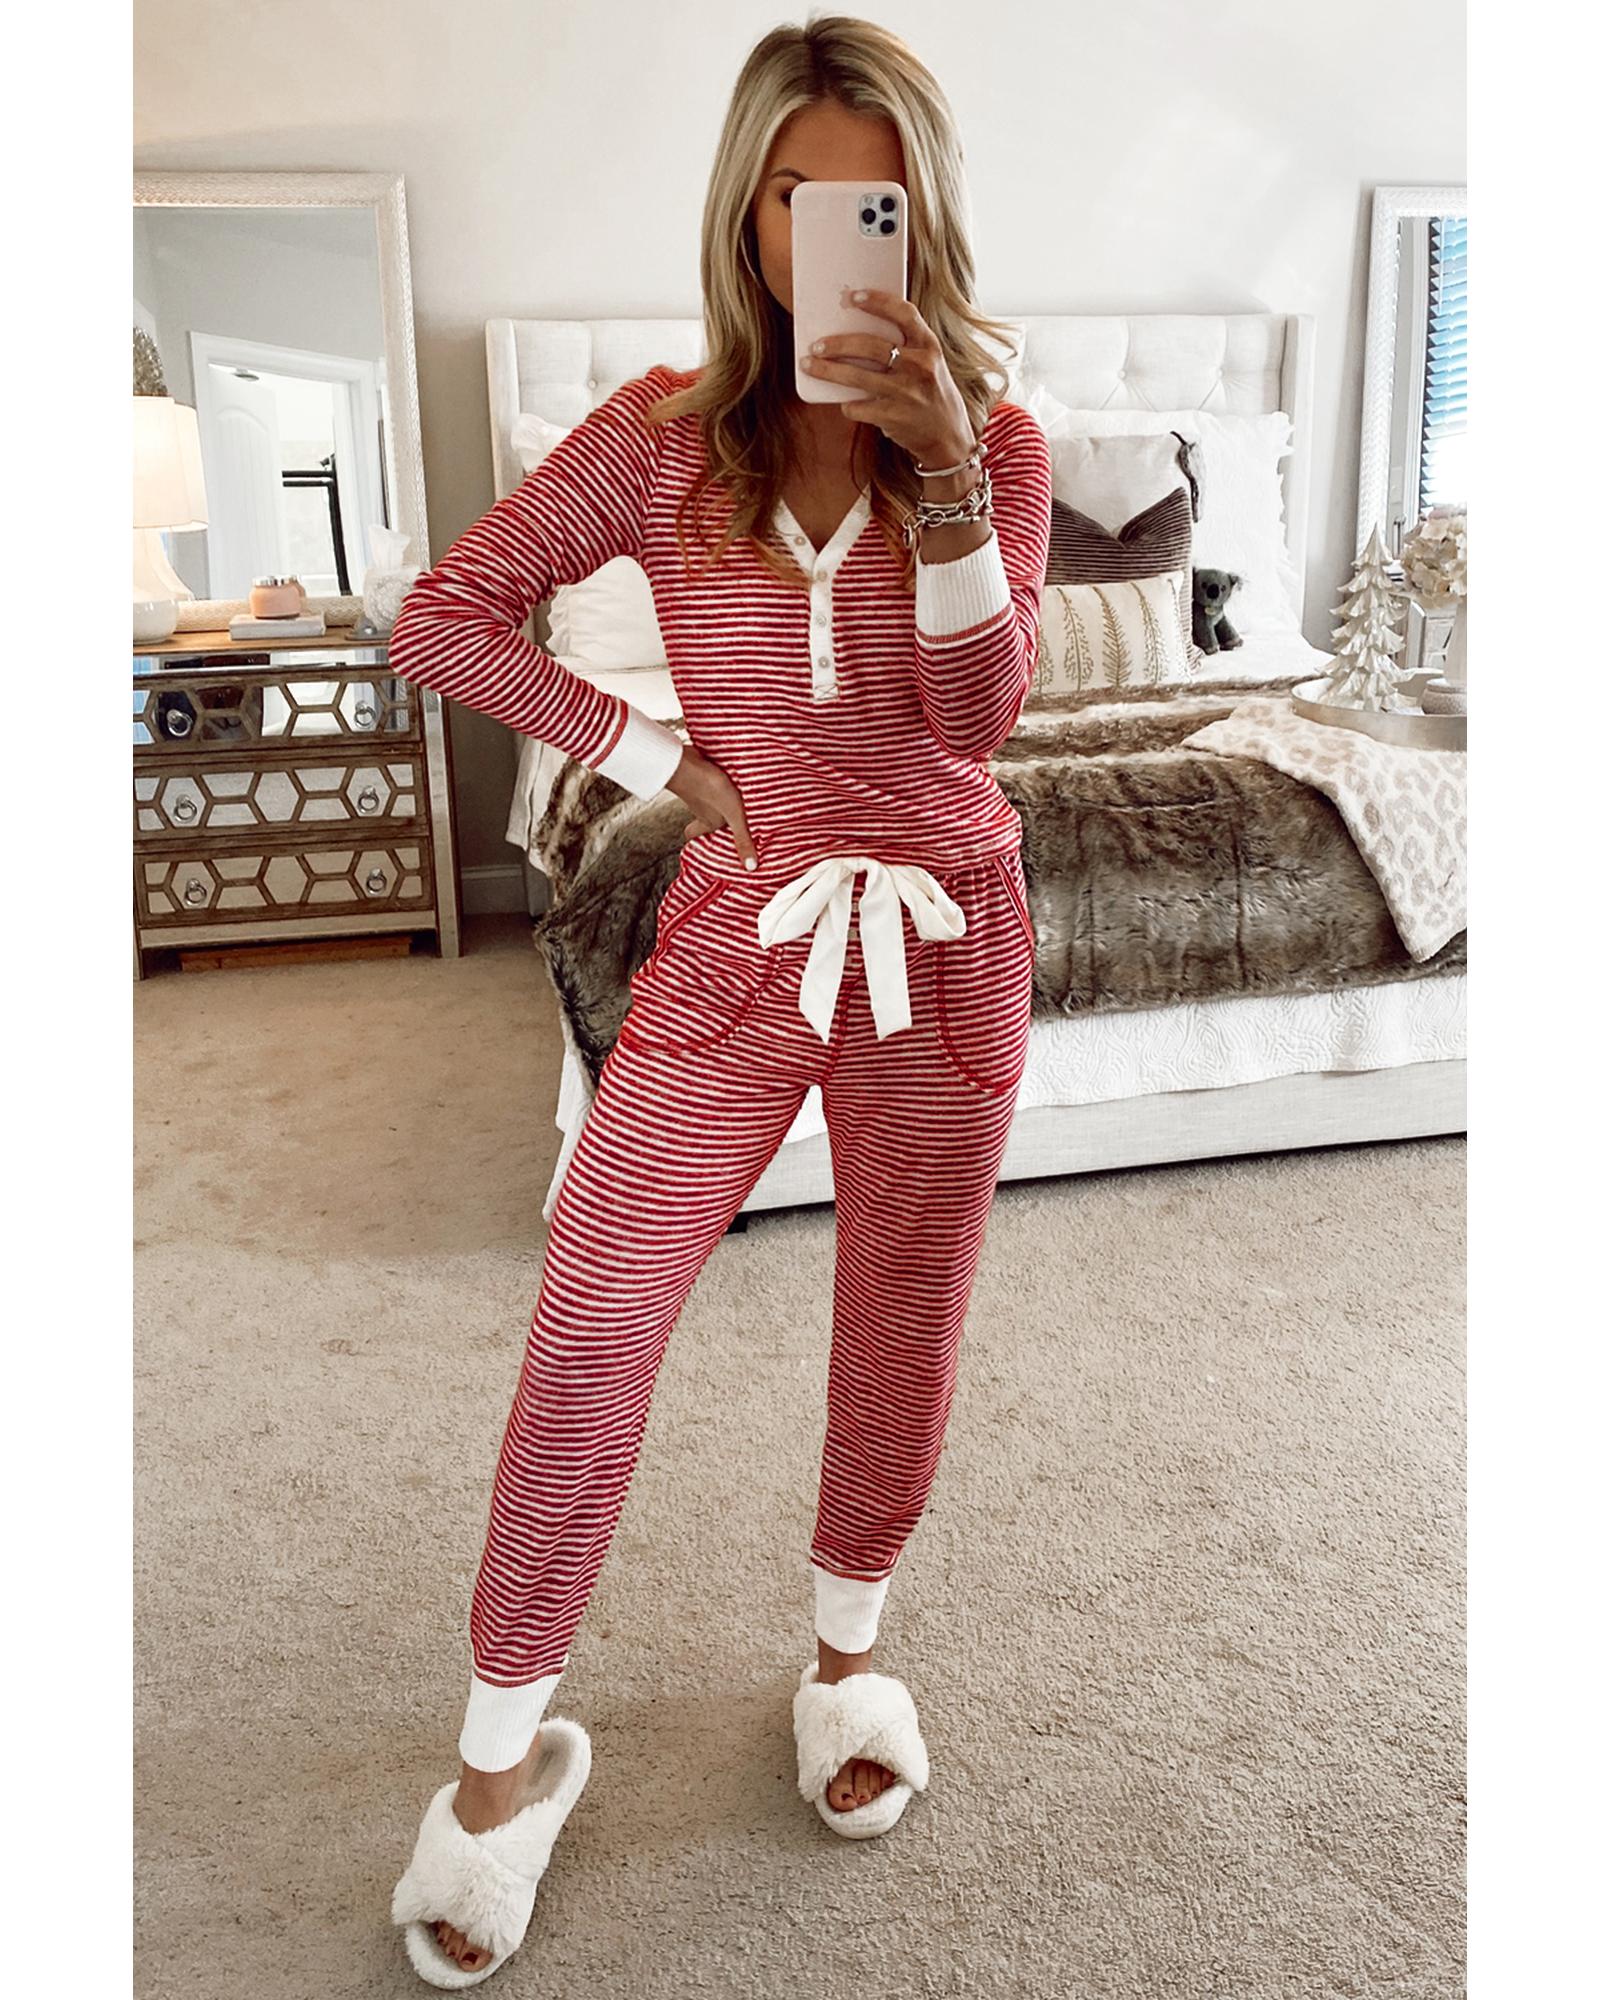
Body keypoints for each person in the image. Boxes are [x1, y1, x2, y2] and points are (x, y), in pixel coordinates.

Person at [388, 14, 1052, 1982]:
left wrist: (944, 473)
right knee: (591, 1319)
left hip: (948, 938)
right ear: (745, 211)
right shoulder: (657, 440)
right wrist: (649, 749)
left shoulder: (1000, 446)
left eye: (872, 195)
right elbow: (441, 616)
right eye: (792, 192)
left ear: (921, 209)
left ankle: (845, 1662)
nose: (829, 230)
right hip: (740, 936)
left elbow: (978, 718)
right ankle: (497, 1769)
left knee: (902, 1314)